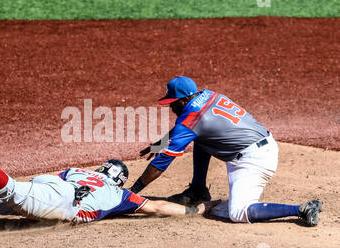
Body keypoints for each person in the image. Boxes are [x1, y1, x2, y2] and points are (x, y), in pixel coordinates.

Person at [129, 76, 322, 226]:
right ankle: (198, 189)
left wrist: (133, 192)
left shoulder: (192, 119)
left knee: (238, 213)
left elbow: (162, 162)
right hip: (262, 143)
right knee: (200, 138)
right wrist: (162, 142)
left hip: (253, 160)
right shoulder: (209, 95)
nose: (171, 107)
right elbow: (190, 127)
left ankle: (300, 209)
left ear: (186, 99)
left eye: (173, 102)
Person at [0, 141, 219, 223]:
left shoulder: (80, 170)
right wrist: (196, 211)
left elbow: (51, 179)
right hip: (61, 203)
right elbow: (158, 207)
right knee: (11, 191)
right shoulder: (121, 196)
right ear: (120, 180)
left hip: (54, 185)